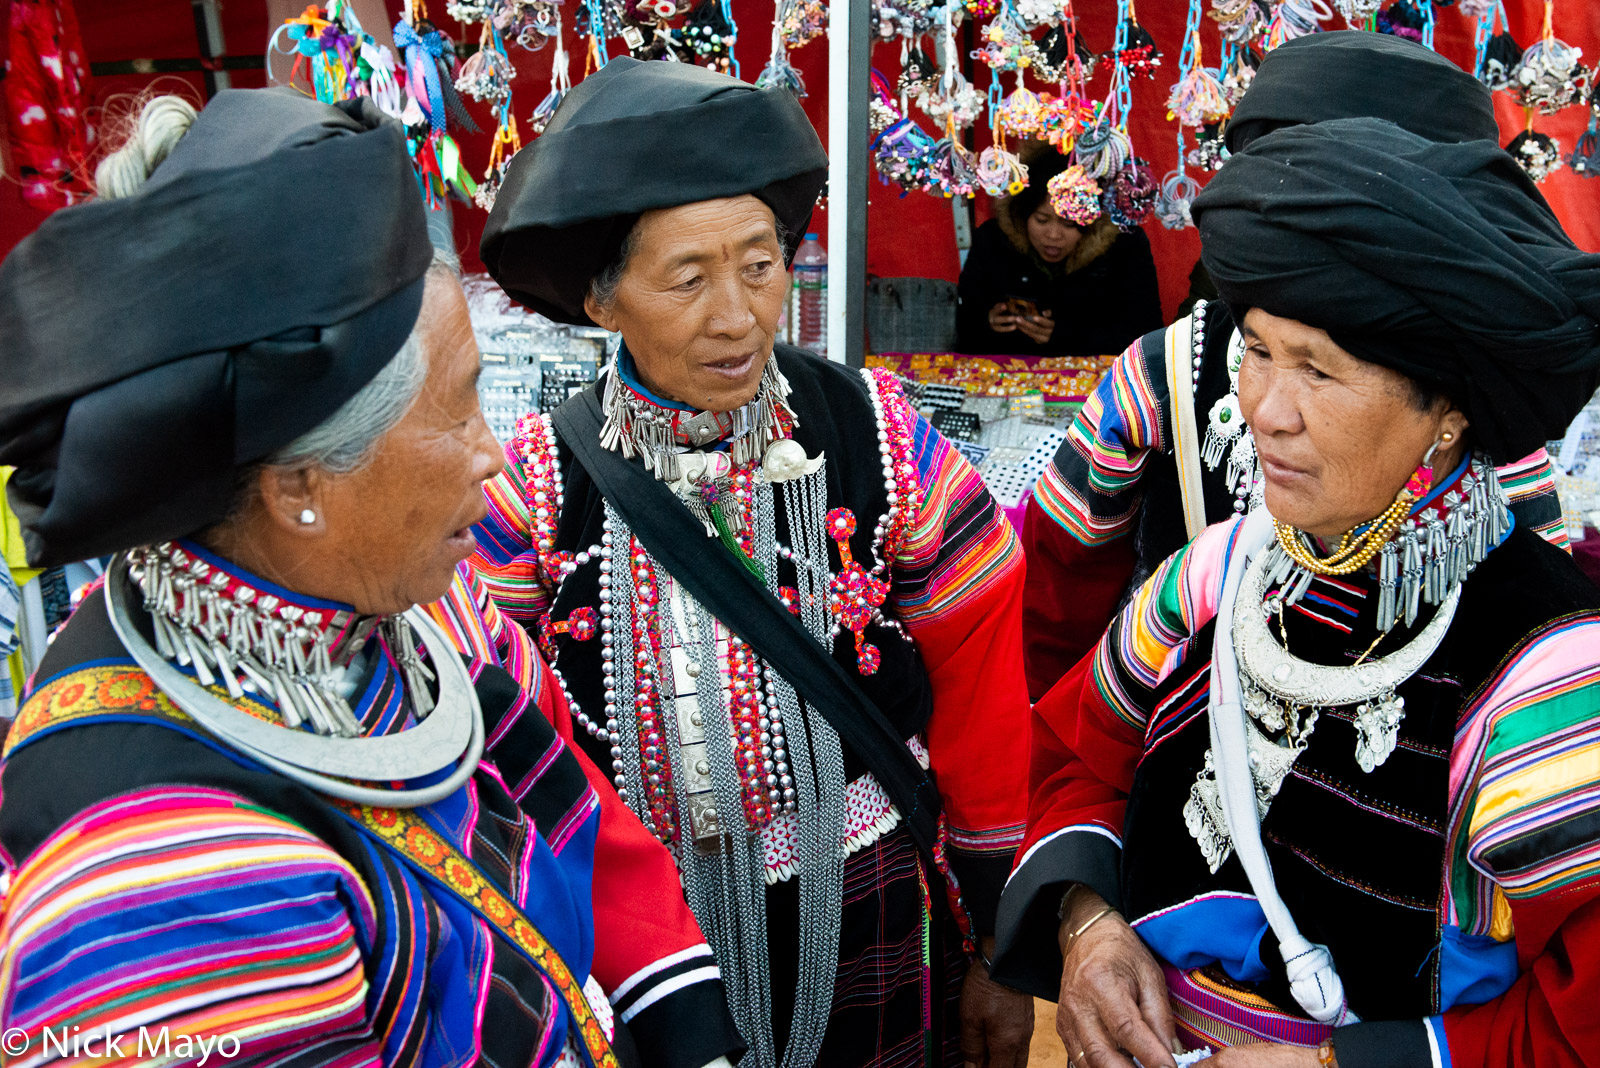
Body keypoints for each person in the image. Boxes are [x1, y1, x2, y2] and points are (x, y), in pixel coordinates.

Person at [0, 89, 745, 1068]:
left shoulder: (432, 617)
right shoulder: (167, 887)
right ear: (302, 484)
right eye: (459, 409)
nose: (495, 455)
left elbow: (584, 835)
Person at [993, 117, 1600, 1067]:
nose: (1264, 411)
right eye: (1258, 351)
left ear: (1447, 413)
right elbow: (1076, 760)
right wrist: (1086, 924)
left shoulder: (1548, 675)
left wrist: (1340, 1064)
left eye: (1317, 369)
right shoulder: (1214, 574)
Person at [470, 58, 1036, 1068]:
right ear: (604, 304)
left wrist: (998, 933)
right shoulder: (534, 492)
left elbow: (983, 672)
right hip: (643, 940)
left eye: (761, 265)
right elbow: (508, 743)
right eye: (687, 279)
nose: (736, 315)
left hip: (865, 892)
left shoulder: (875, 437)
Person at [1018, 32, 1570, 702]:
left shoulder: (1464, 378)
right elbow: (1060, 581)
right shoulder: (1163, 370)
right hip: (1179, 729)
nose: (1273, 413)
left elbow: (1535, 588)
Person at [956, 143, 1162, 358]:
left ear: (1093, 220)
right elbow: (963, 326)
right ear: (1021, 214)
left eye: (1069, 224)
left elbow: (1146, 337)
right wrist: (987, 322)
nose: (1054, 235)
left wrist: (1066, 335)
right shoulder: (993, 240)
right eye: (1041, 219)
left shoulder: (1125, 246)